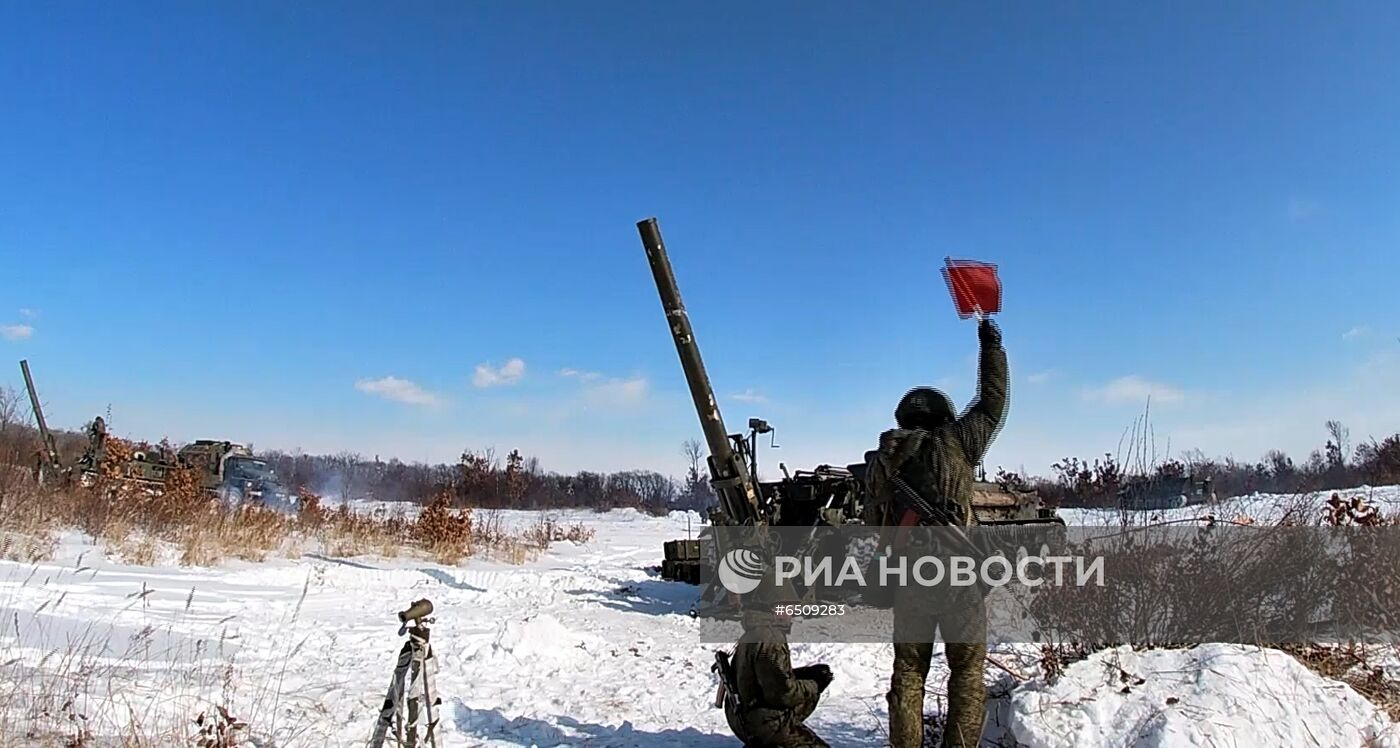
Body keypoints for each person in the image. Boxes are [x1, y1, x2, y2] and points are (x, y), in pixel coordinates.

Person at [865, 317, 1008, 748]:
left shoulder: (882, 459)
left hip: (910, 578)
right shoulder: (957, 441)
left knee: (909, 671)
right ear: (944, 415)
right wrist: (991, 345)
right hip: (960, 574)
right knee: (966, 671)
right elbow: (991, 404)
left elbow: (875, 524)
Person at [723, 583, 834, 747]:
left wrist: (805, 675)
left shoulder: (755, 631)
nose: (793, 613)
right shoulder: (771, 639)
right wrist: (814, 685)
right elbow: (782, 695)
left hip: (740, 716)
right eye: (789, 607)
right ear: (776, 608)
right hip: (760, 723)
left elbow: (767, 677)